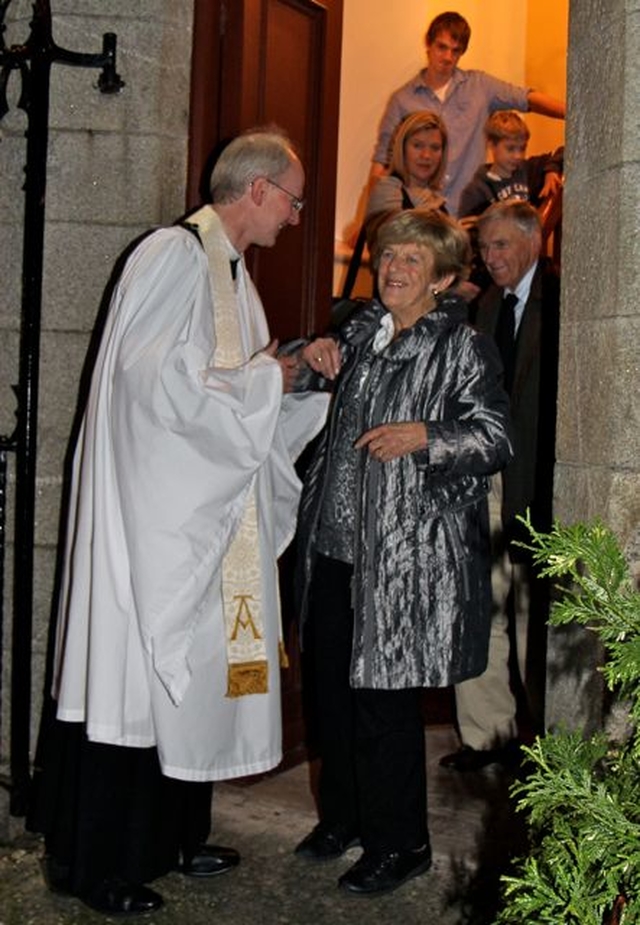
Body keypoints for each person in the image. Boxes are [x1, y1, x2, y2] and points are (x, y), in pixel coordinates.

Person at [28, 127, 330, 915]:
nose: (295, 217)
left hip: (203, 510)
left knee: (192, 674)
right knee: (133, 676)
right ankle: (100, 864)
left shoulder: (231, 274)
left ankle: (171, 838)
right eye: (293, 200)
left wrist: (291, 388)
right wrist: (273, 376)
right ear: (258, 188)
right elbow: (156, 387)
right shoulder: (172, 255)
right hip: (151, 522)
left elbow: (231, 387)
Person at [293, 209, 513, 895]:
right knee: (331, 693)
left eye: (413, 260)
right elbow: (304, 393)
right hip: (333, 545)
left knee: (385, 705)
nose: (393, 268)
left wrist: (426, 435)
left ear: (443, 278)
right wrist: (310, 357)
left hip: (400, 554)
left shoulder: (461, 348)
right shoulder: (357, 333)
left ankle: (402, 842)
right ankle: (344, 820)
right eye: (389, 255)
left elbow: (495, 436)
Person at [440, 201, 560, 773]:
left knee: (536, 614)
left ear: (532, 242)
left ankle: (547, 743)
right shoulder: (483, 306)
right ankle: (486, 737)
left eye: (501, 246)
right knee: (482, 607)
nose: (490, 258)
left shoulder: (563, 298)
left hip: (540, 485)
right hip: (487, 484)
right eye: (484, 248)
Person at [370, 11, 566, 216]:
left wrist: (574, 113)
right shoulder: (402, 100)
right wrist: (368, 222)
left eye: (456, 51)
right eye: (441, 47)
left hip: (470, 218)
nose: (447, 57)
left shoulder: (480, 86)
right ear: (428, 44)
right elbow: (382, 164)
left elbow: (526, 98)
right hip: (420, 222)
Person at [458, 111, 564, 219]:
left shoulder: (529, 170)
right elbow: (466, 229)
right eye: (510, 148)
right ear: (491, 145)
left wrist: (552, 170)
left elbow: (566, 151)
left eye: (522, 149)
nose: (518, 156)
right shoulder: (476, 191)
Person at [364, 110, 448, 245]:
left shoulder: (434, 197)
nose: (426, 155)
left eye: (435, 148)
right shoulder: (386, 190)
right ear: (402, 149)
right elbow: (391, 246)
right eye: (417, 146)